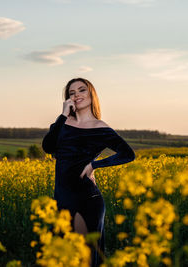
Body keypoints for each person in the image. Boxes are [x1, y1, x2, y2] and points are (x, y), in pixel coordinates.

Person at [42, 77, 136, 267]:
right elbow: (48, 147)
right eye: (72, 93)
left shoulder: (100, 128)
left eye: (81, 90)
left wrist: (94, 165)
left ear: (92, 94)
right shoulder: (63, 123)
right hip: (61, 197)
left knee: (84, 257)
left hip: (86, 199)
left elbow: (128, 154)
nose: (77, 95)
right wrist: (62, 115)